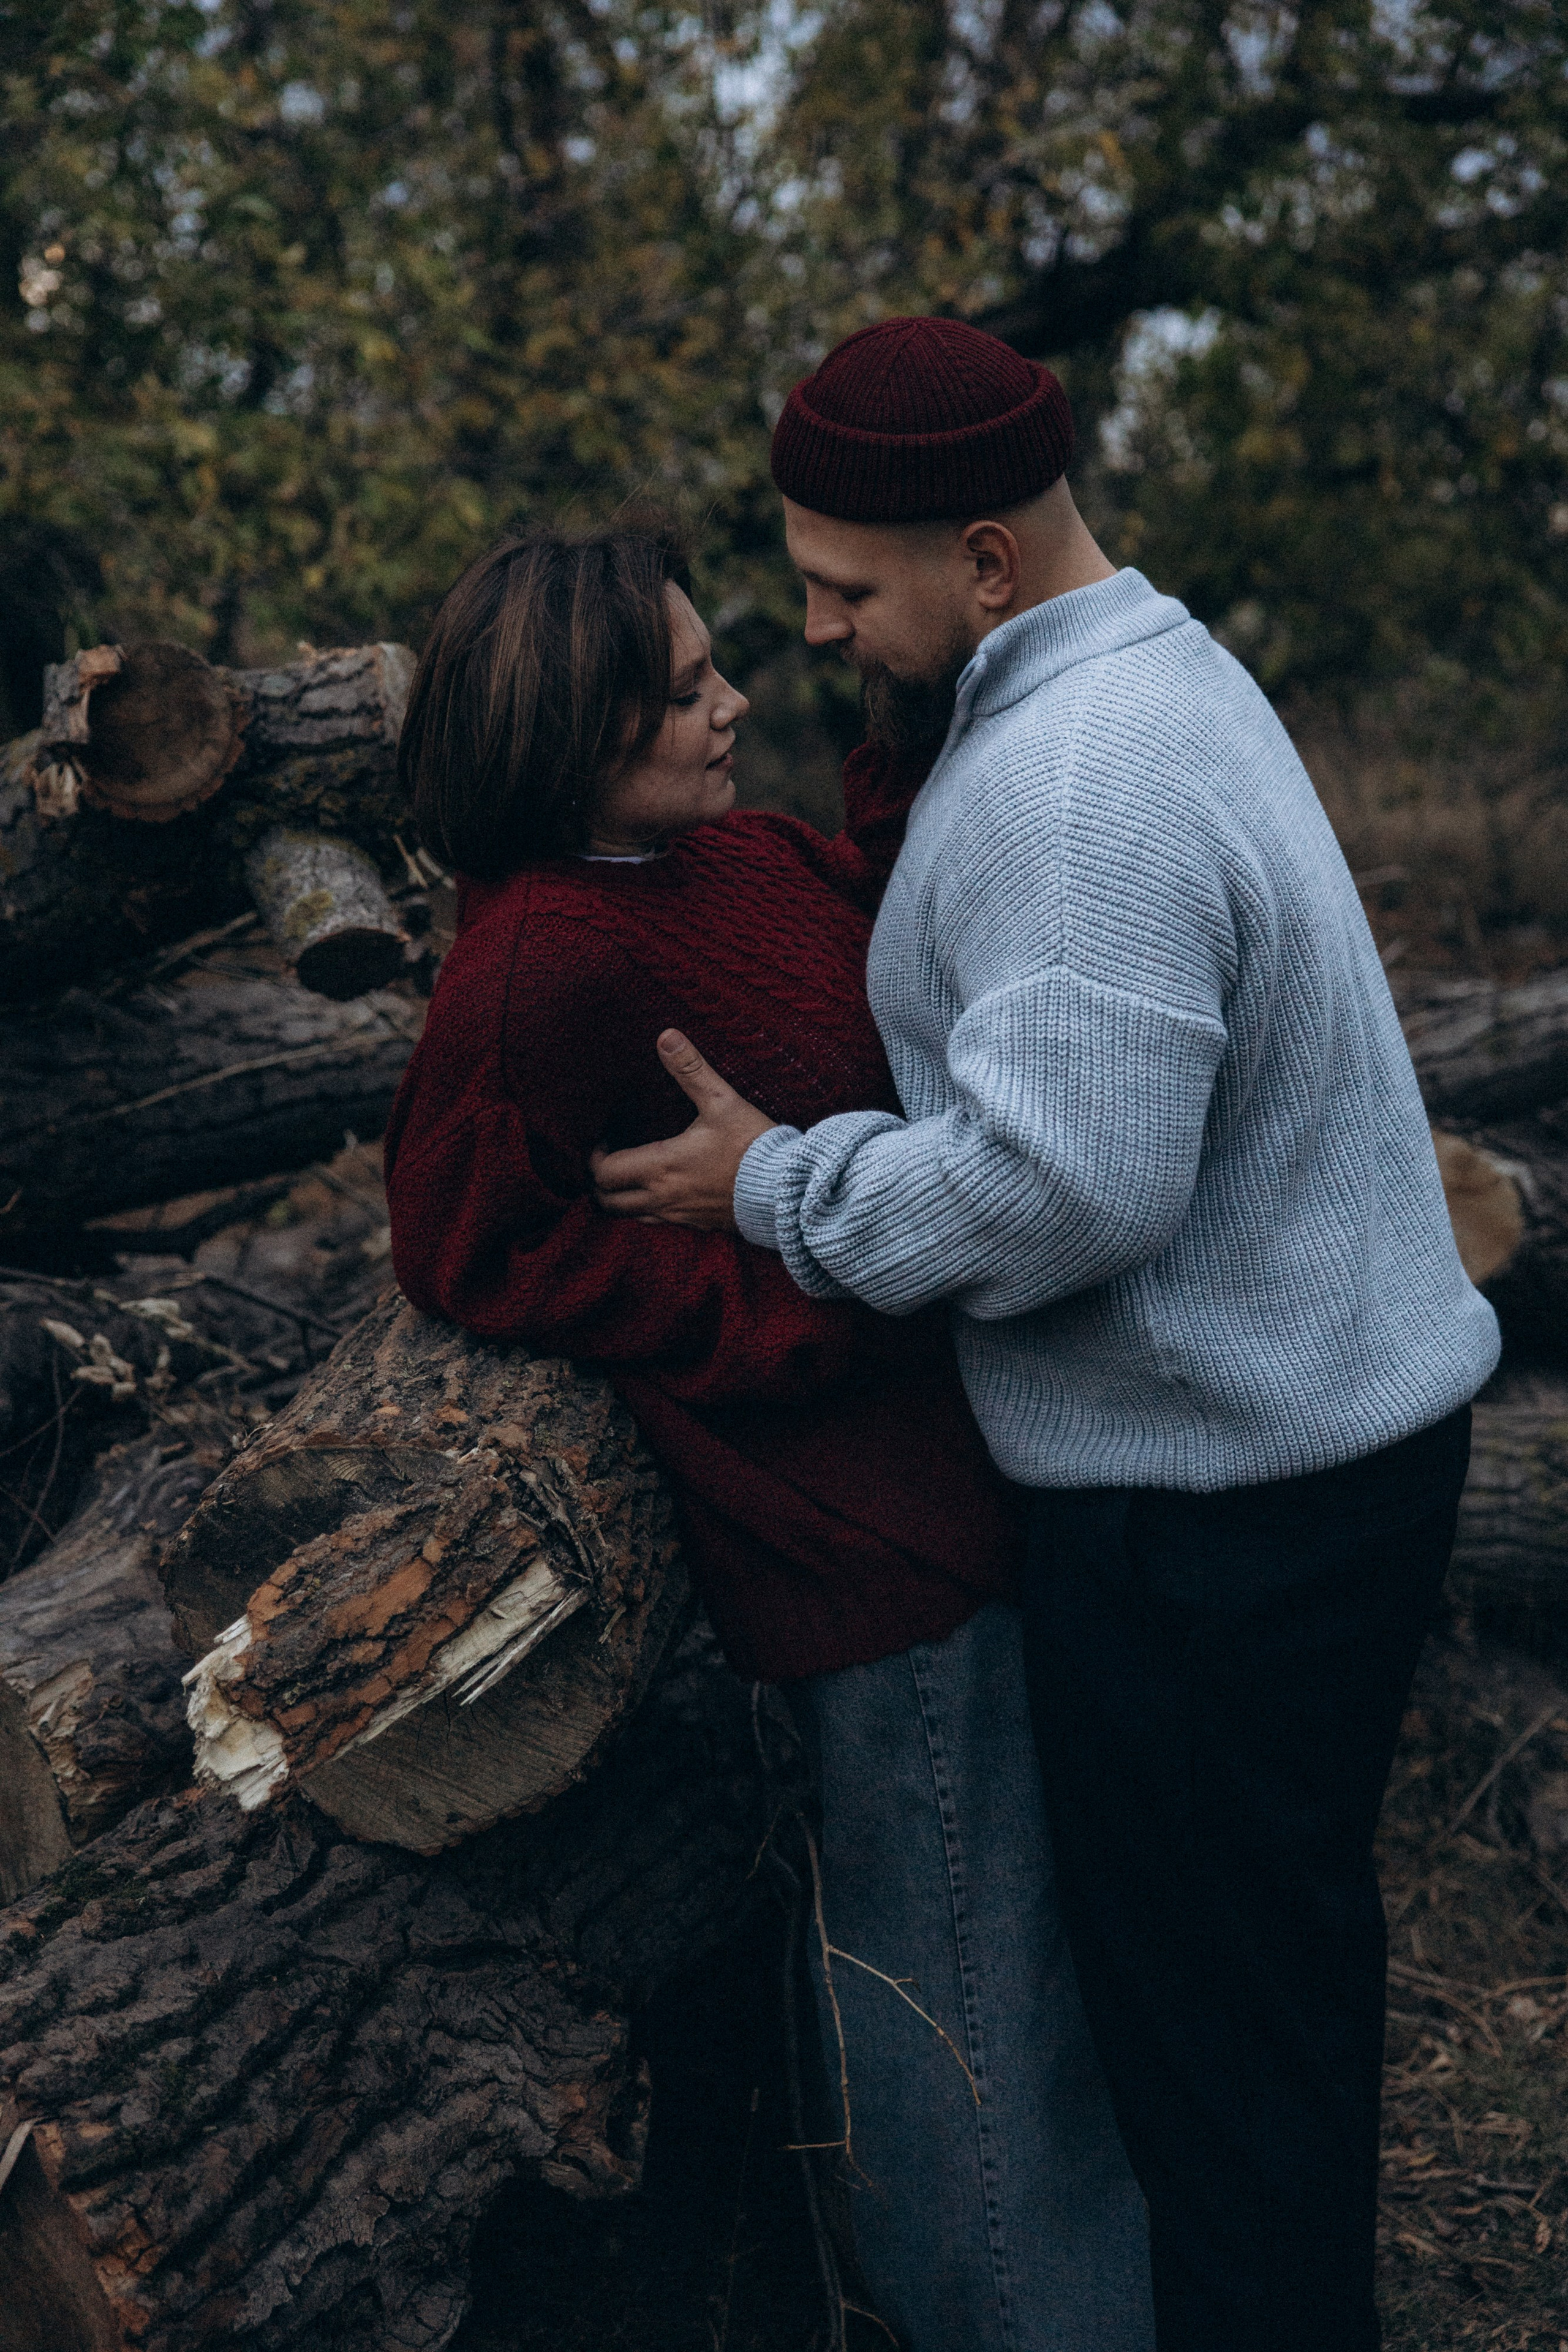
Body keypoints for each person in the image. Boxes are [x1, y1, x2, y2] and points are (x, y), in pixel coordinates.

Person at [590, 315, 1503, 2352]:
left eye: (846, 587)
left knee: (1215, 2062)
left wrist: (778, 1187)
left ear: (986, 561)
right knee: (1268, 2008)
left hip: (1228, 1517)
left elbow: (1071, 1185)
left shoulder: (1077, 782)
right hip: (1307, 1457)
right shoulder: (1146, 670)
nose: (817, 628)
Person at [381, 522, 1154, 2352]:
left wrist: (905, 740)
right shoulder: (537, 965)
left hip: (969, 1481)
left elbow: (873, 922)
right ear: (571, 734)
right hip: (864, 1557)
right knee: (961, 2034)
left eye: (716, 666)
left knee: (1020, 1991)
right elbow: (470, 1243)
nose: (734, 701)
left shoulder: (720, 854)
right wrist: (774, 1317)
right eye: (683, 691)